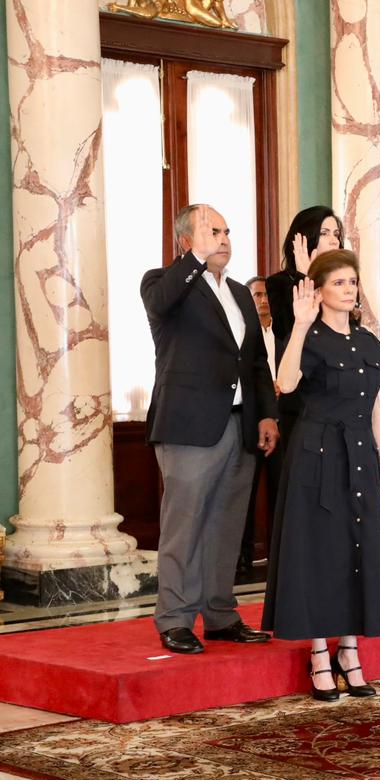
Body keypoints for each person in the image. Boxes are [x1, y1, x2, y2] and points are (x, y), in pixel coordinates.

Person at [142, 204, 278, 654]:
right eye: (211, 231)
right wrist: (195, 260)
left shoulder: (240, 293)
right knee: (184, 526)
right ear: (186, 241)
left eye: (225, 231)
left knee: (226, 525)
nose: (223, 239)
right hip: (189, 427)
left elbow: (255, 362)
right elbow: (161, 304)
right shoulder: (162, 283)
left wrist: (266, 414)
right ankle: (175, 619)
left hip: (240, 425)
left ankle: (220, 615)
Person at [262, 250, 380, 701]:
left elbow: (374, 409)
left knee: (358, 548)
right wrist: (299, 325)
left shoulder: (368, 342)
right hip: (317, 456)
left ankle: (349, 650)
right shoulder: (309, 336)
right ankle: (319, 653)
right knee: (320, 553)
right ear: (317, 291)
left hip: (360, 455)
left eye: (352, 281)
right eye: (338, 282)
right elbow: (286, 383)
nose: (349, 289)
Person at [265, 207, 345, 524]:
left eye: (336, 233)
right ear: (305, 238)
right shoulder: (281, 283)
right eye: (324, 233)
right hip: (301, 405)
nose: (333, 239)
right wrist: (306, 279)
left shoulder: (345, 284)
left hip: (338, 402)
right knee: (303, 499)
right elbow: (292, 334)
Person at [238, 276, 276, 578]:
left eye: (266, 295)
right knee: (243, 496)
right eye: (257, 295)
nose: (263, 300)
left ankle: (279, 557)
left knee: (281, 493)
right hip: (250, 422)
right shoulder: (243, 332)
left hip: (283, 421)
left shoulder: (285, 331)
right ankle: (241, 560)